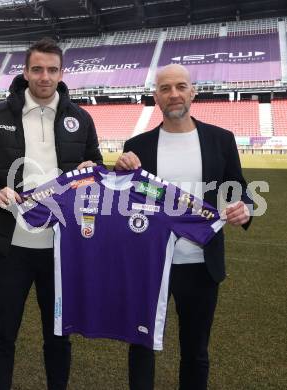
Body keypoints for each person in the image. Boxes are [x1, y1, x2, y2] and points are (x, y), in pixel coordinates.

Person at [0, 38, 103, 390]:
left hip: (61, 247)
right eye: (37, 69)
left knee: (58, 335)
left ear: (61, 73)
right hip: (11, 247)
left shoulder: (80, 119)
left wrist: (93, 170)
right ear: (25, 72)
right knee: (3, 333)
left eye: (52, 70)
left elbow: (96, 168)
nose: (44, 76)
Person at [115, 64, 252, 390]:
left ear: (193, 91)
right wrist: (120, 171)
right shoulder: (138, 145)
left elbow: (239, 189)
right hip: (150, 265)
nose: (173, 94)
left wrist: (244, 208)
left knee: (195, 352)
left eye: (180, 87)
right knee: (142, 347)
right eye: (165, 88)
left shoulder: (221, 140)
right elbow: (124, 203)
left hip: (201, 265)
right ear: (156, 97)